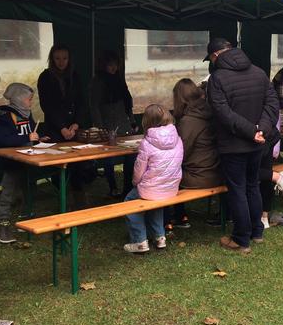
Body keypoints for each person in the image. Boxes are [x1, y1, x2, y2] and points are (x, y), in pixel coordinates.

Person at [207, 38, 279, 253]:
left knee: (238, 190)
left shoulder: (217, 78)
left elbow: (223, 113)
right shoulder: (259, 72)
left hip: (233, 144)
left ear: (217, 55)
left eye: (210, 58)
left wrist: (253, 132)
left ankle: (241, 239)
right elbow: (272, 104)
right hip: (257, 142)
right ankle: (256, 231)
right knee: (252, 185)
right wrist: (261, 130)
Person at [123, 104, 183, 254]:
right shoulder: (177, 138)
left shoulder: (146, 143)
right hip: (171, 188)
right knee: (156, 204)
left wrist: (135, 183)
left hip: (151, 188)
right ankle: (160, 237)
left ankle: (139, 241)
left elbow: (138, 169)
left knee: (130, 203)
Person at [37, 45, 92, 207]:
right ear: (52, 60)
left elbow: (82, 102)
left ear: (69, 59)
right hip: (55, 129)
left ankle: (80, 201)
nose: (61, 62)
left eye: (65, 58)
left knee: (79, 164)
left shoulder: (74, 76)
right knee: (59, 166)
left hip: (74, 127)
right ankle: (63, 202)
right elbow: (47, 105)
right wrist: (61, 127)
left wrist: (75, 125)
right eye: (57, 58)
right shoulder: (45, 77)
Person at [166, 78, 223, 231]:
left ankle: (175, 218)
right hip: (216, 171)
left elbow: (181, 153)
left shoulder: (188, 121)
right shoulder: (209, 112)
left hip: (200, 176)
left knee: (164, 176)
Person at [0, 83, 40, 244]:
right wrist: (27, 138)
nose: (31, 103)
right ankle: (3, 226)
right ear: (19, 99)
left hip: (27, 159)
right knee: (8, 193)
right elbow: (3, 139)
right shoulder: (5, 116)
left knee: (29, 187)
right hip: (11, 162)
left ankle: (25, 218)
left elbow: (31, 131)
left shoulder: (27, 113)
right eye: (29, 99)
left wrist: (38, 138)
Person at [89, 50, 137, 196]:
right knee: (108, 157)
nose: (113, 68)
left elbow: (127, 102)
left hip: (122, 121)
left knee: (130, 154)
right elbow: (94, 105)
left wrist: (132, 120)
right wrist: (99, 126)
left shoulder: (119, 79)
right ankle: (113, 187)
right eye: (110, 65)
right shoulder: (97, 81)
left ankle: (127, 187)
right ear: (104, 65)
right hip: (106, 122)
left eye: (115, 65)